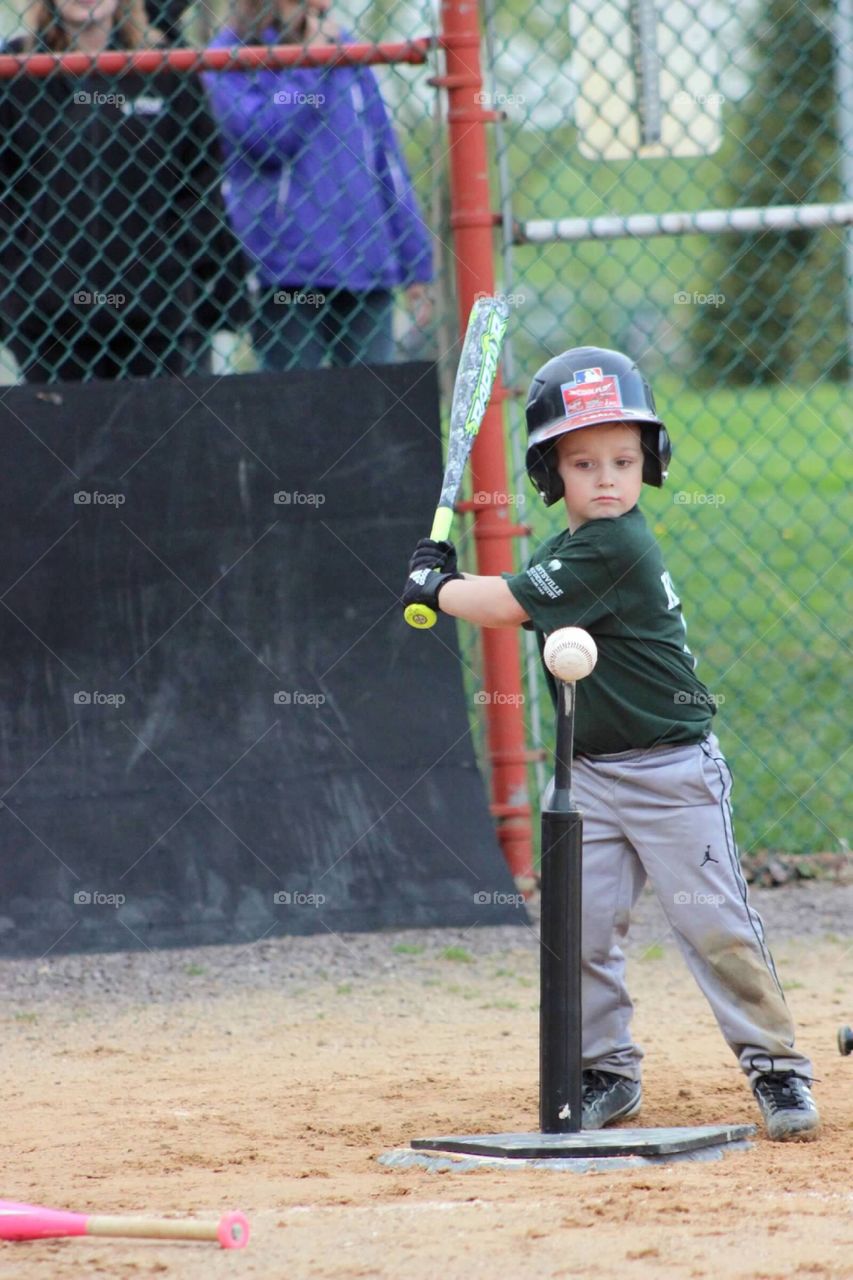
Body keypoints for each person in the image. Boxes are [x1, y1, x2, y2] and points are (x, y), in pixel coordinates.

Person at [402, 346, 820, 1142]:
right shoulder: (567, 547)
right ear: (550, 473)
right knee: (581, 932)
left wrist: (436, 587)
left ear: (648, 465)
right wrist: (450, 584)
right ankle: (605, 1071)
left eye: (623, 460)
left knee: (713, 924)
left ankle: (776, 1067)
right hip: (588, 777)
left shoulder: (613, 546)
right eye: (584, 461)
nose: (605, 478)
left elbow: (498, 606)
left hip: (672, 775)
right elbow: (513, 596)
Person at [0, 0, 247, 382]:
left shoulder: (167, 67)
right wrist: (19, 279)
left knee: (153, 436)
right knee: (66, 437)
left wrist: (176, 268)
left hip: (154, 313)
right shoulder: (14, 70)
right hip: (47, 317)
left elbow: (200, 177)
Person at [202, 0, 433, 371]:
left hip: (366, 269)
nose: (321, 6)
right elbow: (266, 138)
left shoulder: (347, 49)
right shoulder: (228, 55)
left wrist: (415, 263)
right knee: (293, 414)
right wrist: (313, 61)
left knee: (372, 411)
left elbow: (385, 157)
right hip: (284, 273)